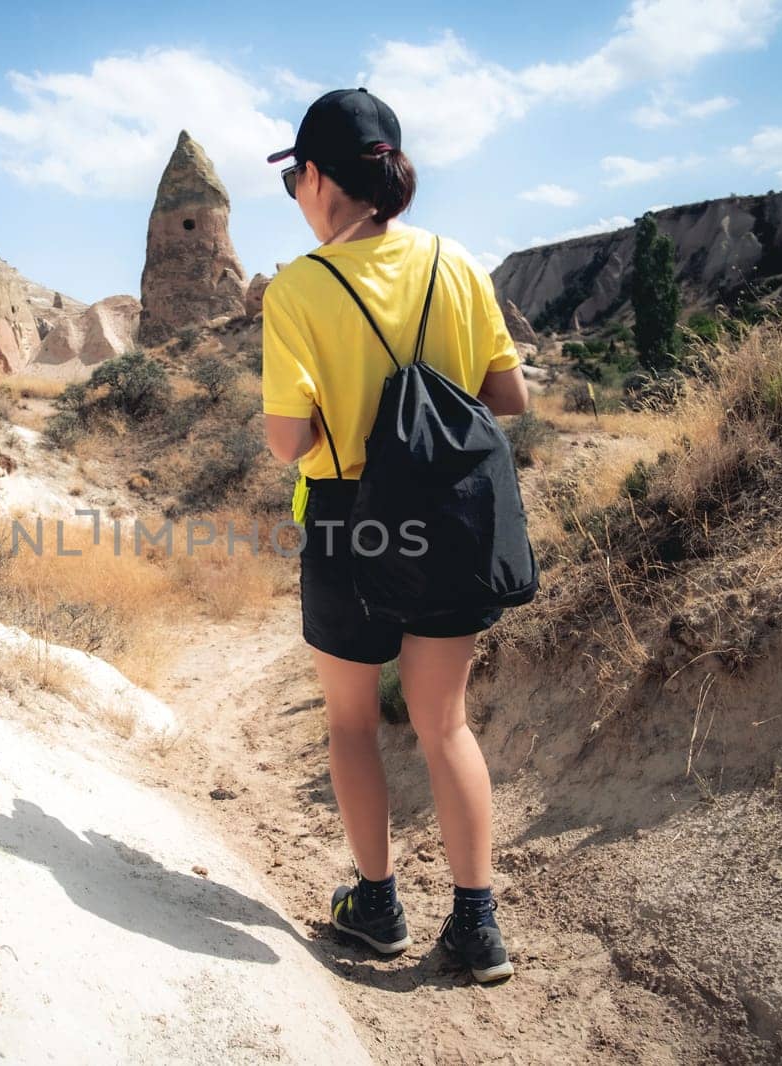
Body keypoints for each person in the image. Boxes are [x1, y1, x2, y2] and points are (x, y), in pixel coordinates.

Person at [260, 88, 529, 984]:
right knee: (444, 721)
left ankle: (376, 907)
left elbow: (288, 442)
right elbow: (509, 400)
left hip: (344, 520)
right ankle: (477, 926)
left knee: (349, 724)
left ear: (326, 179)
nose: (294, 189)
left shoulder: (298, 286)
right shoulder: (458, 264)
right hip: (450, 517)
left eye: (295, 173)